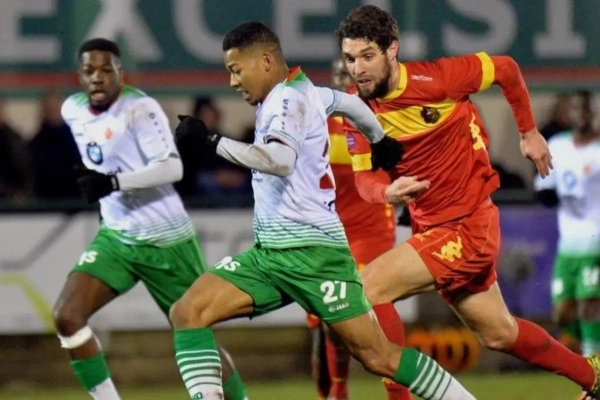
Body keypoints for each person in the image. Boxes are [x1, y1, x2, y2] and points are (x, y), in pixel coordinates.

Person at [169, 21, 478, 400]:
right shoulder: (305, 91)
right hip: (271, 257)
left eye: (236, 70)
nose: (233, 82)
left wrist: (211, 140)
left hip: (315, 258)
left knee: (380, 356)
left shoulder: (286, 100)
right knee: (188, 312)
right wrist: (379, 138)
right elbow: (349, 104)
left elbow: (279, 160)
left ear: (265, 61)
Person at [334, 5, 600, 399]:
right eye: (350, 58)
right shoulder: (355, 109)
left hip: (465, 226)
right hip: (433, 229)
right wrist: (386, 192)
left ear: (392, 50)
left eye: (367, 56)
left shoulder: (439, 78)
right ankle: (592, 376)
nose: (358, 69)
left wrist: (528, 133)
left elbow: (506, 68)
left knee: (362, 291)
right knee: (500, 333)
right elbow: (363, 179)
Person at [52, 38, 248, 400]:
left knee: (195, 336)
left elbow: (172, 168)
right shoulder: (72, 109)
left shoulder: (139, 108)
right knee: (67, 316)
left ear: (120, 72)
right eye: (89, 70)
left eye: (106, 69)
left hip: (166, 240)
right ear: (79, 75)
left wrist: (114, 182)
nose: (97, 77)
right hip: (117, 237)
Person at [306, 58, 409, 400]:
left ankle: (398, 393)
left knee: (374, 300)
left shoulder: (379, 115)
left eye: (350, 74)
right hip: (329, 231)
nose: (345, 80)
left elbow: (403, 158)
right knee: (332, 320)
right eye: (339, 74)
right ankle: (338, 390)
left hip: (372, 225)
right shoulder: (314, 122)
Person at [535, 91, 600, 359]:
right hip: (568, 245)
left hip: (595, 242)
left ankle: (593, 364)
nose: (581, 114)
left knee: (589, 303)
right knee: (562, 314)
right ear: (569, 114)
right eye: (576, 109)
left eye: (586, 109)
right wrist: (547, 192)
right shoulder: (558, 145)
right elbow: (544, 188)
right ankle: (589, 346)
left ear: (593, 113)